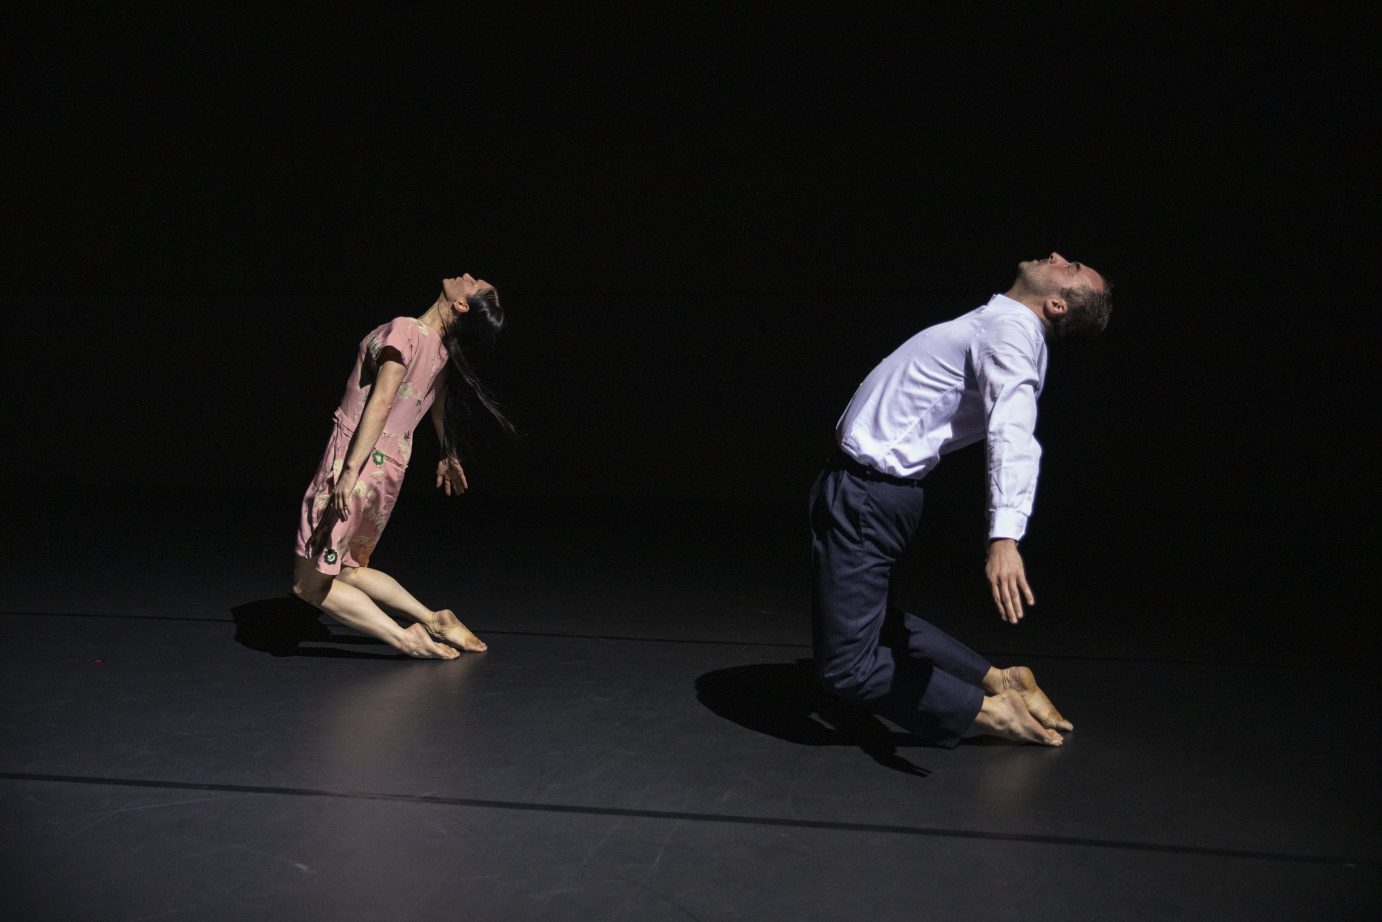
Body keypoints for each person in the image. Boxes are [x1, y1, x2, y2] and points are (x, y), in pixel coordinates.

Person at [811, 252, 1112, 746]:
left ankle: (992, 714)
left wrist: (1005, 535)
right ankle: (1000, 681)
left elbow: (1013, 431)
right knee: (872, 621)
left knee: (847, 667)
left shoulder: (1012, 334)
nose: (1058, 256)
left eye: (1072, 267)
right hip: (861, 489)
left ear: (1056, 305)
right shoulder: (1002, 322)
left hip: (866, 495)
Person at [291, 274, 515, 659]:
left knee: (308, 586)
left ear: (462, 305)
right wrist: (448, 452)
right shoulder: (441, 351)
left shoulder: (406, 330)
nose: (466, 277)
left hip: (356, 462)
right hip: (389, 469)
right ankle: (434, 619)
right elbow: (436, 404)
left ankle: (404, 638)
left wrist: (347, 473)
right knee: (346, 569)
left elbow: (381, 402)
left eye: (473, 283)